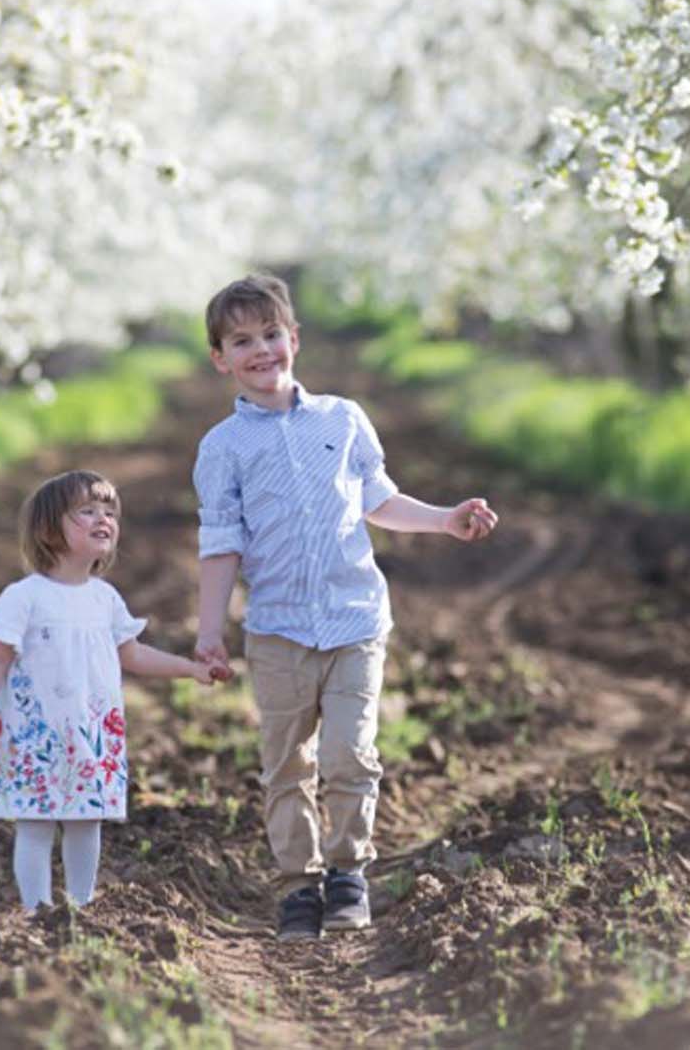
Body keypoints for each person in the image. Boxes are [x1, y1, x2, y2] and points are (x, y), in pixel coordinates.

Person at [192, 273, 498, 940]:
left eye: (271, 334)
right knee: (286, 761)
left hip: (356, 618)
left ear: (294, 339)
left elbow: (379, 499)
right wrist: (209, 631)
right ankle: (299, 885)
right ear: (220, 359)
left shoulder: (342, 418)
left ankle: (348, 870)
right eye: (242, 341)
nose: (260, 350)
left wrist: (446, 519)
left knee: (349, 753)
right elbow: (220, 544)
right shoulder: (222, 449)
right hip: (276, 630)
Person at [0, 469, 230, 914]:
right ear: (49, 531)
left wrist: (191, 670)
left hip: (90, 737)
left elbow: (134, 655)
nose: (103, 519)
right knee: (35, 824)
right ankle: (38, 911)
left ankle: (81, 907)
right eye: (87, 512)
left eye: (109, 512)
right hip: (36, 737)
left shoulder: (104, 598)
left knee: (86, 822)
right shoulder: (24, 596)